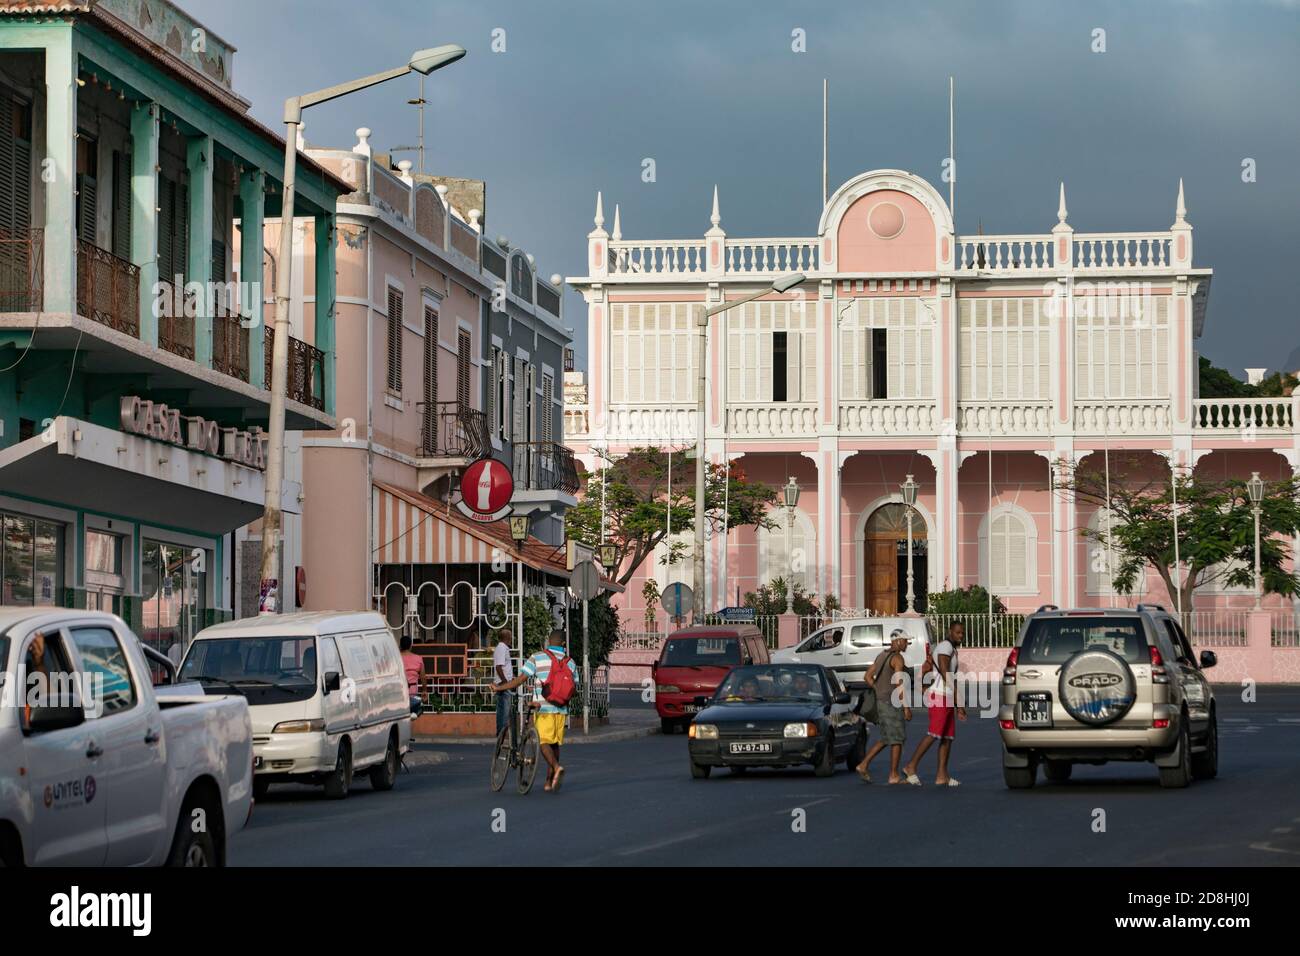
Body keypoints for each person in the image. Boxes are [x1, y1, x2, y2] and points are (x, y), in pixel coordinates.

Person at [491, 630, 578, 793]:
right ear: (563, 645)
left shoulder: (538, 657)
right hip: (561, 710)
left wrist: (499, 687)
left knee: (543, 742)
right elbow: (574, 688)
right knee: (554, 744)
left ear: (548, 641)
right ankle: (548, 782)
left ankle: (556, 767)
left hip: (543, 707)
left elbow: (519, 680)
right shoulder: (570, 662)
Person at [902, 620, 966, 787]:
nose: (961, 636)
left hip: (947, 696)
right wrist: (959, 699)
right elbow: (945, 671)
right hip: (940, 695)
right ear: (950, 632)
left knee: (947, 737)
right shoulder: (945, 646)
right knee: (934, 734)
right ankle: (911, 766)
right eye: (958, 632)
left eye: (962, 633)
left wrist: (957, 702)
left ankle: (942, 775)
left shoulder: (951, 649)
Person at [855, 630, 913, 784]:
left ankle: (863, 765)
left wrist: (878, 689)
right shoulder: (897, 658)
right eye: (906, 641)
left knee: (886, 737)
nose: (907, 643)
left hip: (882, 702)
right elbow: (899, 684)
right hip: (892, 703)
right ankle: (893, 775)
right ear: (898, 641)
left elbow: (867, 676)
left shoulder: (881, 655)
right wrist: (906, 707)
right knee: (897, 739)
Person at [491, 629, 515, 739]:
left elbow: (504, 667)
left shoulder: (503, 648)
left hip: (504, 682)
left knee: (502, 710)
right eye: (510, 636)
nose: (512, 638)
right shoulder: (501, 648)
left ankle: (501, 733)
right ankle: (502, 734)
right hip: (503, 684)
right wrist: (506, 683)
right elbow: (498, 667)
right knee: (505, 711)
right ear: (507, 637)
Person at [399, 635, 425, 699]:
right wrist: (424, 690)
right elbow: (423, 677)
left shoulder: (396, 658)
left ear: (400, 646)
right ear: (410, 646)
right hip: (413, 692)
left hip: (399, 692)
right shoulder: (418, 658)